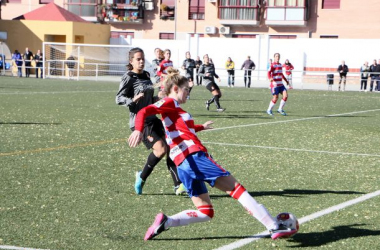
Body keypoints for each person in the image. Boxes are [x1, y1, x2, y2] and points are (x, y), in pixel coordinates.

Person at [128, 68, 298, 241]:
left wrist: (202, 127)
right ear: (176, 89)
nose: (188, 93)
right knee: (236, 189)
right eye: (186, 89)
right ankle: (273, 226)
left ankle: (166, 222)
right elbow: (143, 111)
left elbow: (185, 128)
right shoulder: (169, 102)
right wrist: (138, 130)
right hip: (194, 157)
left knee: (206, 212)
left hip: (182, 164)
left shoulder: (175, 108)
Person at [115, 47, 186, 196]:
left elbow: (149, 98)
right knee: (160, 149)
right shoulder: (128, 77)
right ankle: (141, 177)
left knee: (171, 147)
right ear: (131, 61)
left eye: (142, 59)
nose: (141, 62)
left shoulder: (147, 75)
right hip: (140, 122)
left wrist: (157, 98)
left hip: (153, 118)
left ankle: (178, 185)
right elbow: (118, 98)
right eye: (138, 59)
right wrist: (131, 100)